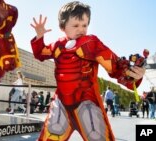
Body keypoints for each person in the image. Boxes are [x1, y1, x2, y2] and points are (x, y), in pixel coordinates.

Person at [30, 1, 146, 140]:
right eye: (76, 25)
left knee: (97, 136)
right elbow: (40, 53)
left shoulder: (92, 43)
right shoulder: (57, 45)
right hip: (61, 103)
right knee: (52, 134)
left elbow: (115, 65)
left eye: (85, 25)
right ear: (63, 26)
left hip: (88, 102)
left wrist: (132, 74)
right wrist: (39, 37)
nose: (81, 29)